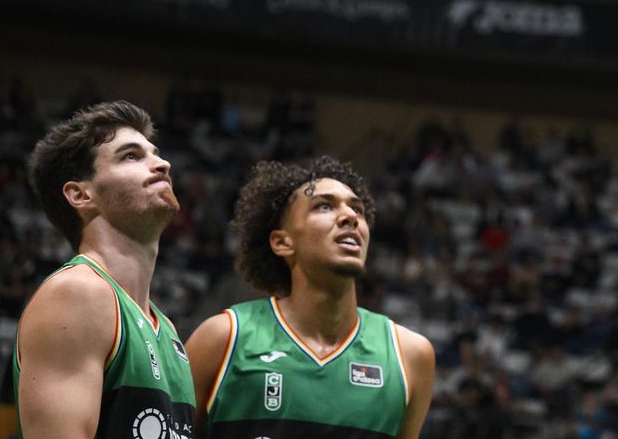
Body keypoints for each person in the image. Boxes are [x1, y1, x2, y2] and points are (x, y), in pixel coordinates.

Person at [185, 157, 434, 438]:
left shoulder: (410, 355)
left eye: (357, 209)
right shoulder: (224, 338)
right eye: (324, 206)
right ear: (282, 242)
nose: (350, 216)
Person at [14, 101, 195, 439]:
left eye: (155, 153)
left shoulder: (167, 330)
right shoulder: (77, 294)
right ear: (81, 194)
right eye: (131, 156)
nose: (162, 164)